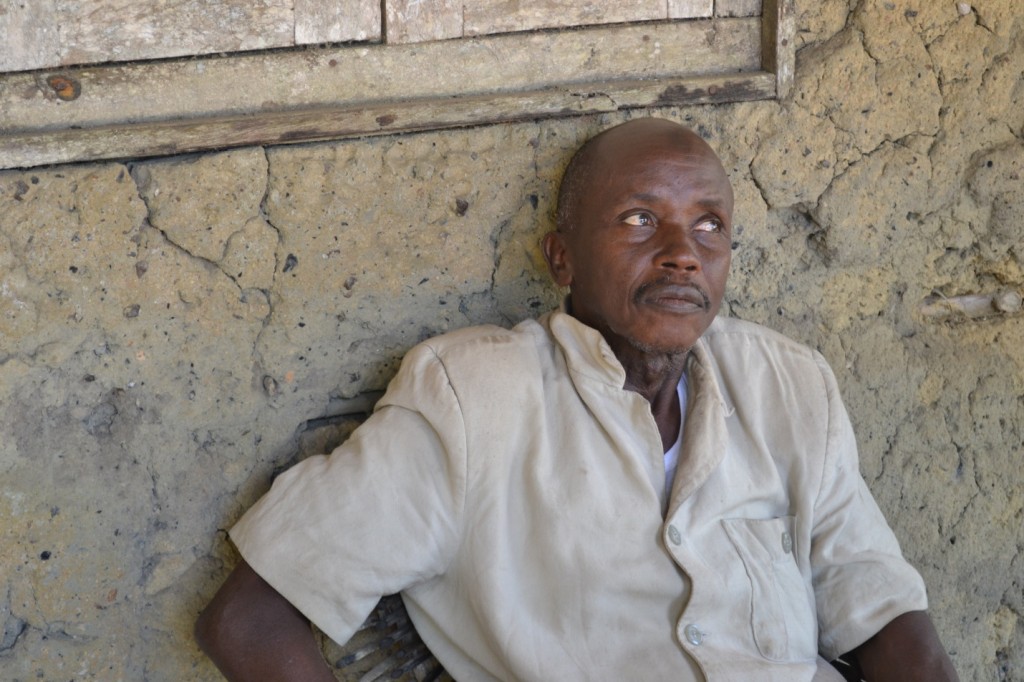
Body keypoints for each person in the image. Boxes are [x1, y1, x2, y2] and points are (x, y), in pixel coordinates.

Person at [195, 118, 958, 681]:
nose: (681, 253)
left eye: (709, 226)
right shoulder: (475, 401)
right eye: (638, 220)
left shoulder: (789, 385)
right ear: (561, 256)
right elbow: (249, 621)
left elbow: (890, 621)